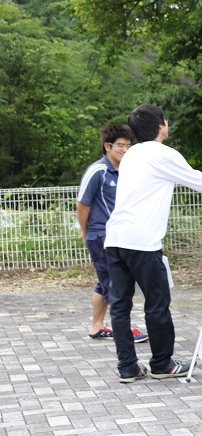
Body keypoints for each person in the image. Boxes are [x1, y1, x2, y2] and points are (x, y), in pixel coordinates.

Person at [105, 104, 202, 383]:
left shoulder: (132, 154)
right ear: (161, 125)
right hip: (142, 242)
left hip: (114, 238)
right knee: (157, 302)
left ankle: (128, 367)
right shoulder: (163, 154)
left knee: (120, 306)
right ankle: (162, 364)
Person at [76, 123, 148, 344]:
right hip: (100, 236)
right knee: (115, 284)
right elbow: (82, 204)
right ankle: (123, 329)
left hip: (118, 236)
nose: (125, 150)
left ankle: (96, 327)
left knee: (105, 282)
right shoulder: (98, 171)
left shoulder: (124, 171)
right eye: (120, 146)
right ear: (107, 146)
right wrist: (85, 231)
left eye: (128, 146)